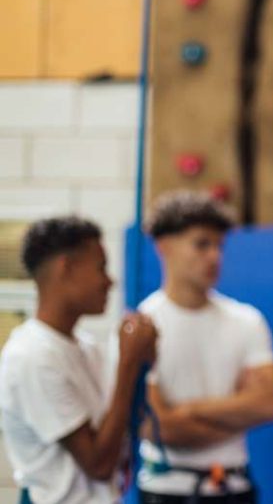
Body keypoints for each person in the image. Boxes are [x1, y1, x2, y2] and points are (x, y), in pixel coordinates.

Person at [138, 191, 273, 502]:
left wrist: (188, 410)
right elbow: (156, 427)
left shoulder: (246, 320)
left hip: (234, 487)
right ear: (165, 247)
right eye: (202, 244)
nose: (215, 256)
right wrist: (237, 414)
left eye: (219, 245)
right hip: (165, 492)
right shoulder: (142, 327)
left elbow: (270, 404)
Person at [0, 216, 157, 503]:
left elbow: (122, 432)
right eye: (100, 268)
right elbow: (98, 464)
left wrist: (143, 362)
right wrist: (128, 363)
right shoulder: (31, 356)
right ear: (67, 268)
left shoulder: (87, 347)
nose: (109, 282)